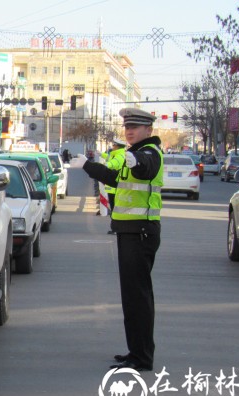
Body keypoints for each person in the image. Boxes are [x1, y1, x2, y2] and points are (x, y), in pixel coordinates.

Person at [78, 107, 163, 372]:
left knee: (137, 296)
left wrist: (135, 162)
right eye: (127, 127)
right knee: (132, 296)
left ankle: (142, 357)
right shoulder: (133, 154)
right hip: (130, 232)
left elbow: (145, 169)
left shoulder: (148, 154)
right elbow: (114, 178)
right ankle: (135, 351)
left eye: (135, 127)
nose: (129, 131)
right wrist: (87, 166)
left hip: (141, 232)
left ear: (148, 130)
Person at [100, 139, 127, 234]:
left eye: (114, 145)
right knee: (114, 208)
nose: (112, 146)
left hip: (115, 188)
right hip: (114, 188)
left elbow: (111, 163)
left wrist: (102, 166)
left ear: (118, 146)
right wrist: (101, 154)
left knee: (115, 209)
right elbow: (108, 158)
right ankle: (116, 228)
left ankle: (116, 229)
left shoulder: (119, 156)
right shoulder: (116, 154)